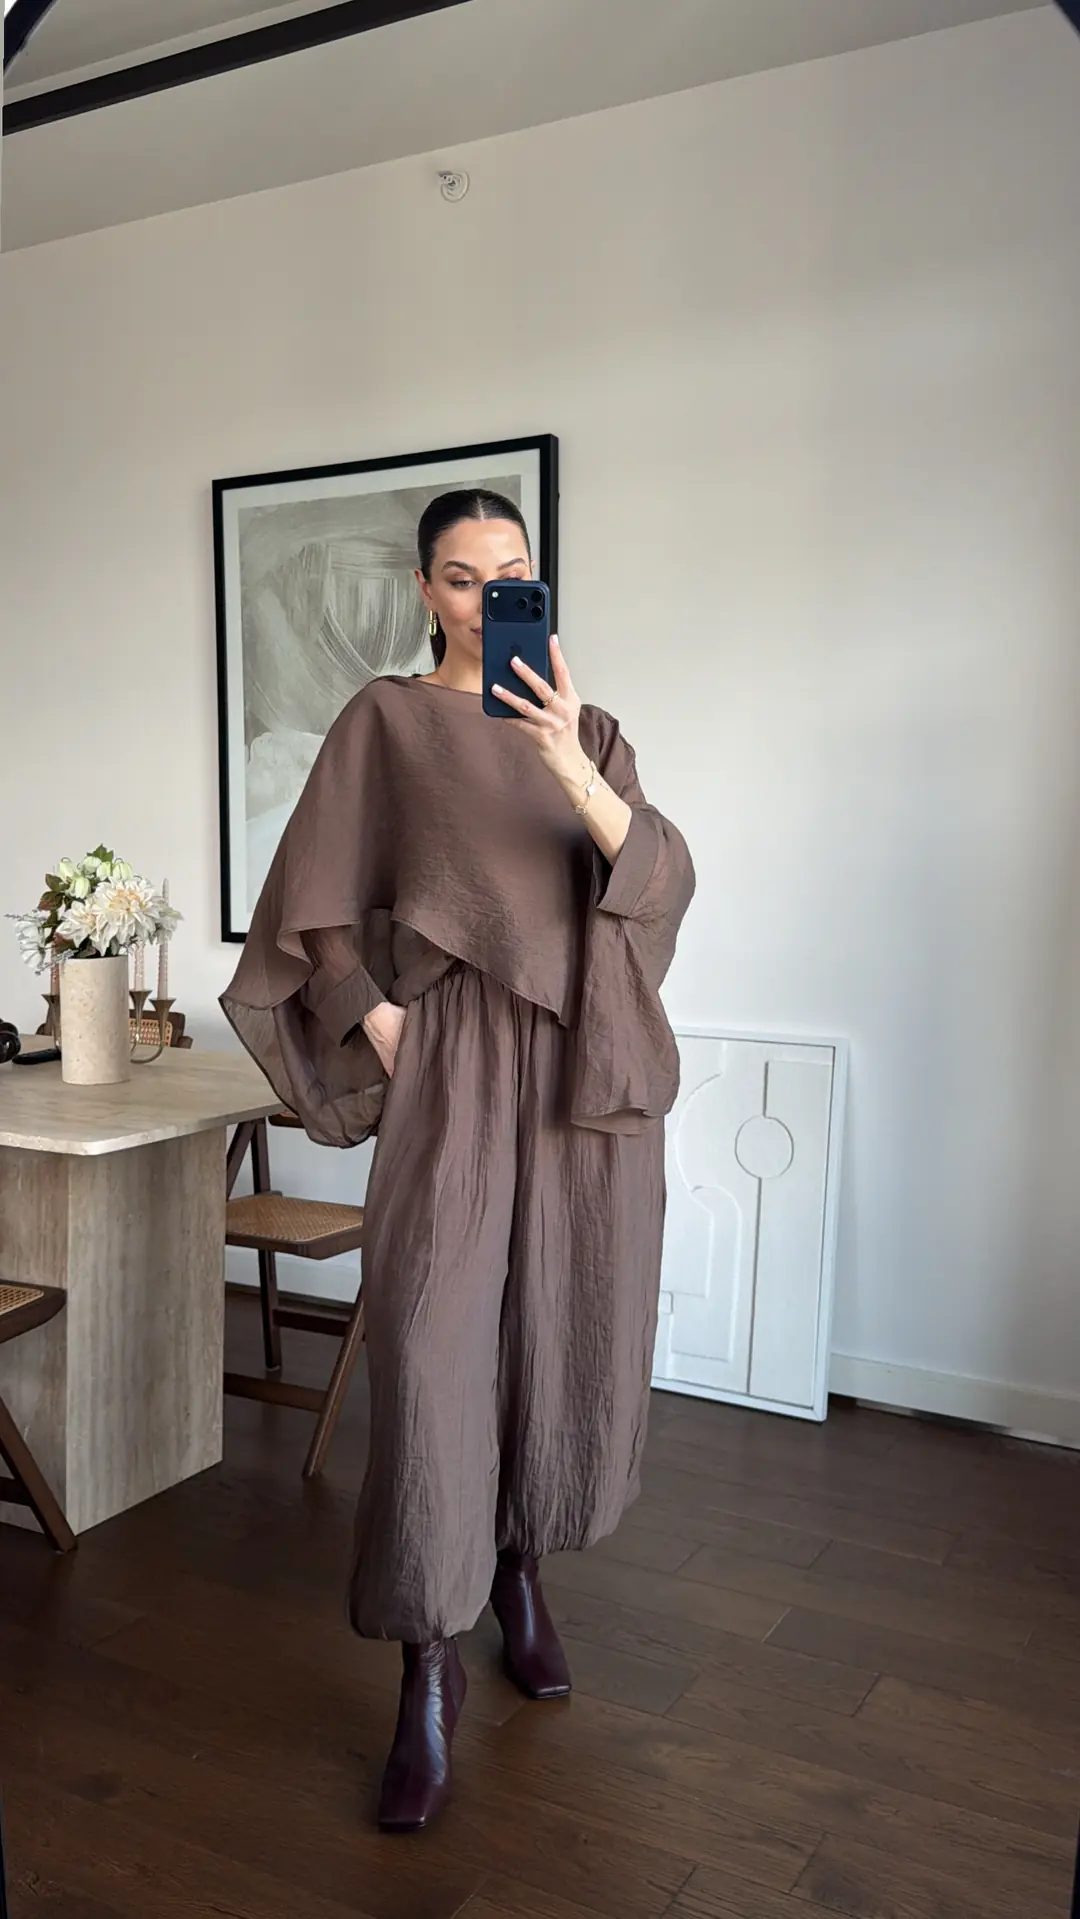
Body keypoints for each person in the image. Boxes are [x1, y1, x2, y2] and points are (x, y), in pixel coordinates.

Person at [222, 489, 694, 1832]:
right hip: (453, 1062)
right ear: (427, 592)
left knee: (564, 1320)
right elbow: (309, 901)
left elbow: (658, 886)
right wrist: (376, 1016)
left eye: (514, 570)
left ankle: (521, 1568)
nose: (491, 596)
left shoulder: (590, 731)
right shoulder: (384, 721)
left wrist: (566, 757)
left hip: (581, 1065)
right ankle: (427, 1664)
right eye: (464, 576)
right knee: (431, 1345)